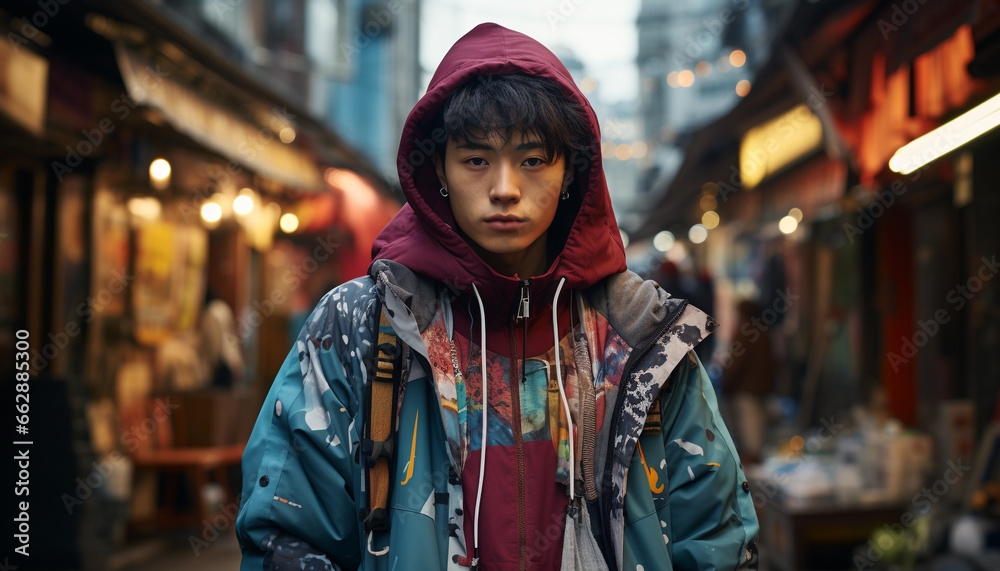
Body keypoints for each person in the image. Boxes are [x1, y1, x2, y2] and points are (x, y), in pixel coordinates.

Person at [236, 23, 758, 570]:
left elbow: (718, 539)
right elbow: (286, 537)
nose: (505, 188)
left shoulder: (639, 336)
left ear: (570, 173)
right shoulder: (361, 326)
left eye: (533, 160)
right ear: (437, 168)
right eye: (476, 159)